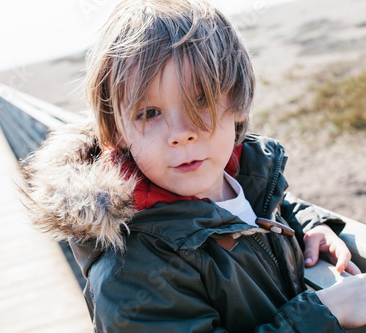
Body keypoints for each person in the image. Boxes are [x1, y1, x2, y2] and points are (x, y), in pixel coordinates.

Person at [20, 0, 366, 331]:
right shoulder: (132, 272)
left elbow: (264, 207)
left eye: (199, 101)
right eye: (149, 113)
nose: (181, 134)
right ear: (116, 131)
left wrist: (310, 227)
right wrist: (326, 314)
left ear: (238, 101)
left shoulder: (239, 172)